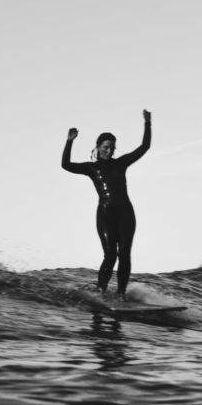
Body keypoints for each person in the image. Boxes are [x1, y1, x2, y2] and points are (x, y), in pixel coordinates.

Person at [61, 110, 152, 299]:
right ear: (98, 147)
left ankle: (120, 294)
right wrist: (70, 141)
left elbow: (144, 147)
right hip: (105, 214)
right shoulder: (90, 168)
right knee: (111, 256)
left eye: (112, 148)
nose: (109, 151)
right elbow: (66, 165)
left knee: (125, 254)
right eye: (106, 147)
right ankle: (100, 292)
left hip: (125, 212)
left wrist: (147, 123)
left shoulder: (121, 163)